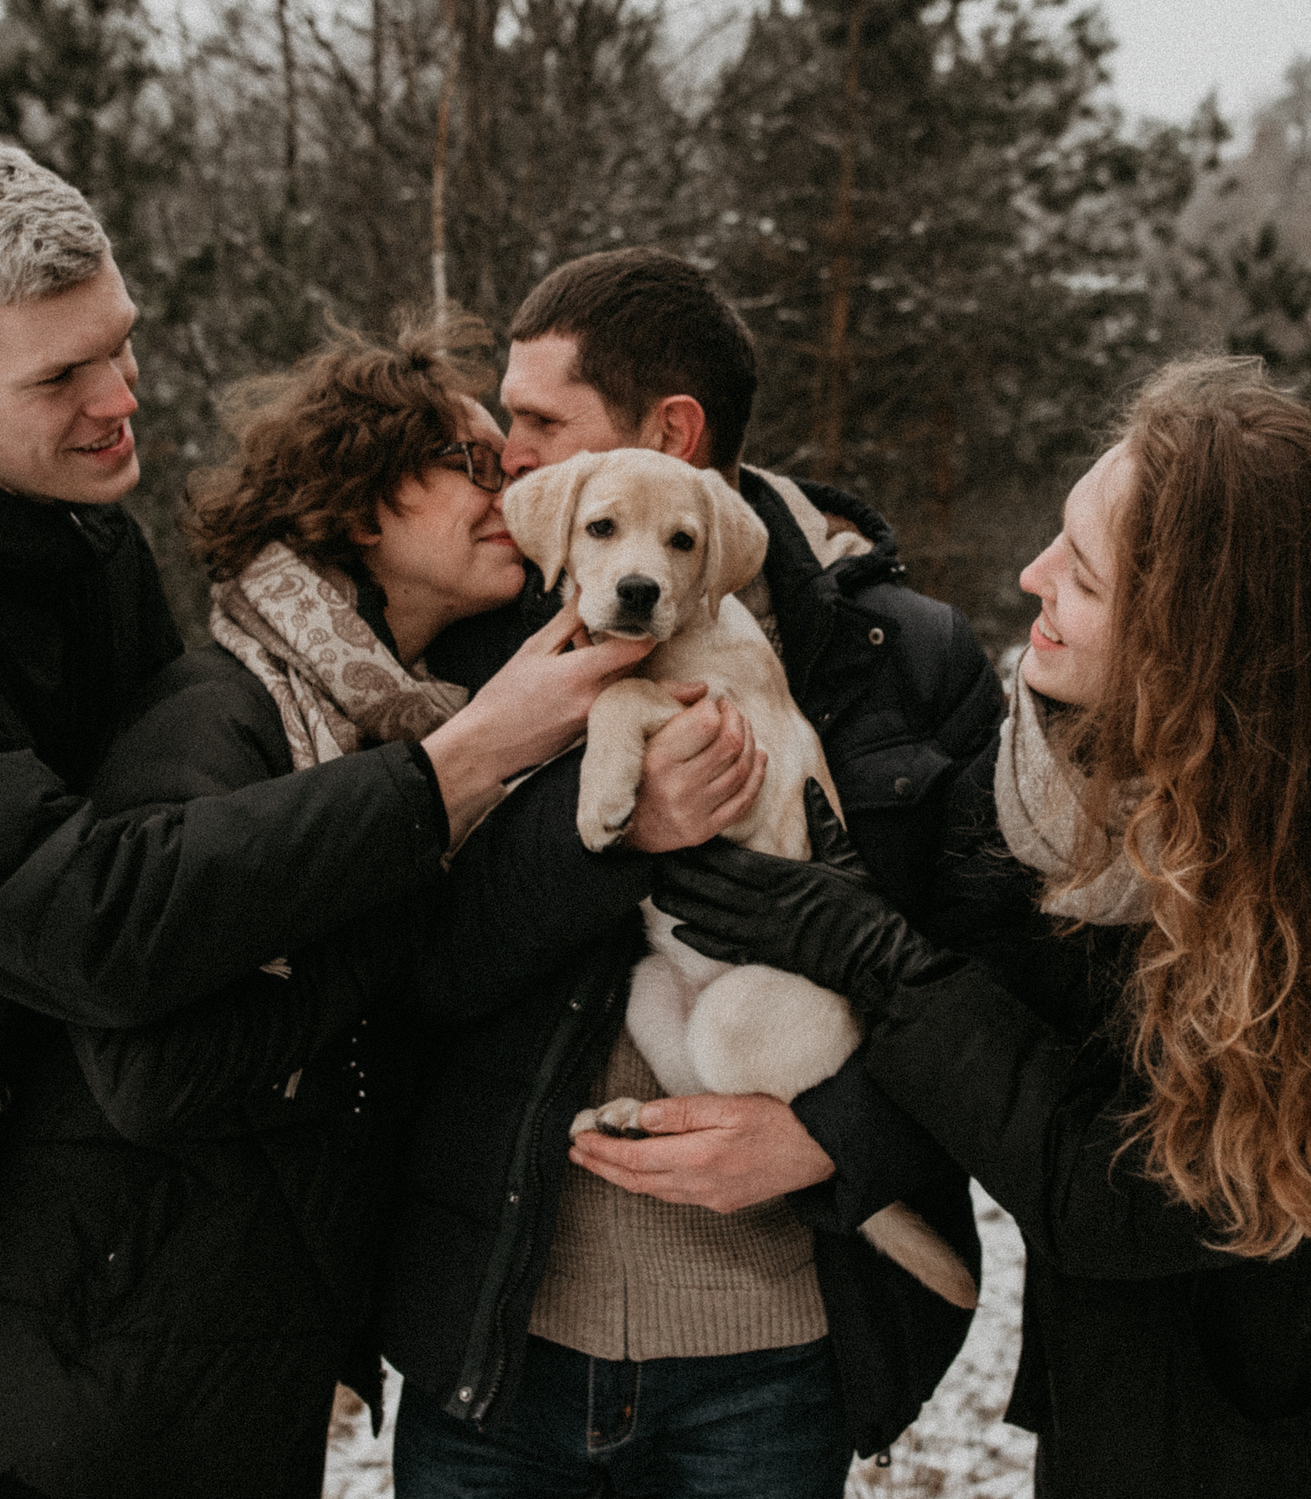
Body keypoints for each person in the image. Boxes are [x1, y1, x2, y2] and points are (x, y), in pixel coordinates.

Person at [0, 138, 645, 1498]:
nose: (122, 397)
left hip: (53, 1290)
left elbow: (199, 875)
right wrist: (459, 769)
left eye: (118, 343)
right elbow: (94, 916)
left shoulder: (79, 538)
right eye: (61, 375)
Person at [656, 357, 1311, 1497]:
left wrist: (873, 953)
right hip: (1113, 1420)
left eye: (1079, 572)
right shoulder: (1065, 778)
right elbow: (986, 1002)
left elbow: (1123, 1195)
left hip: (1297, 1449)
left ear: (1199, 643)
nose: (1030, 576)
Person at [0, 315, 745, 1497]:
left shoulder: (395, 713)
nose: (505, 483)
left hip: (216, 1357)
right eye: (464, 462)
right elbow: (153, 1074)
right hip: (102, 1373)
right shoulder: (215, 718)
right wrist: (425, 847)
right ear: (361, 505)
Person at [387, 247, 1004, 1496]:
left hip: (769, 1360)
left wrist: (829, 1135)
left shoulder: (912, 659)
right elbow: (410, 962)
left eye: (539, 422)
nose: (508, 455)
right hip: (502, 1349)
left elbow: (998, 990)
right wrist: (604, 834)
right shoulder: (484, 625)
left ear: (672, 429)